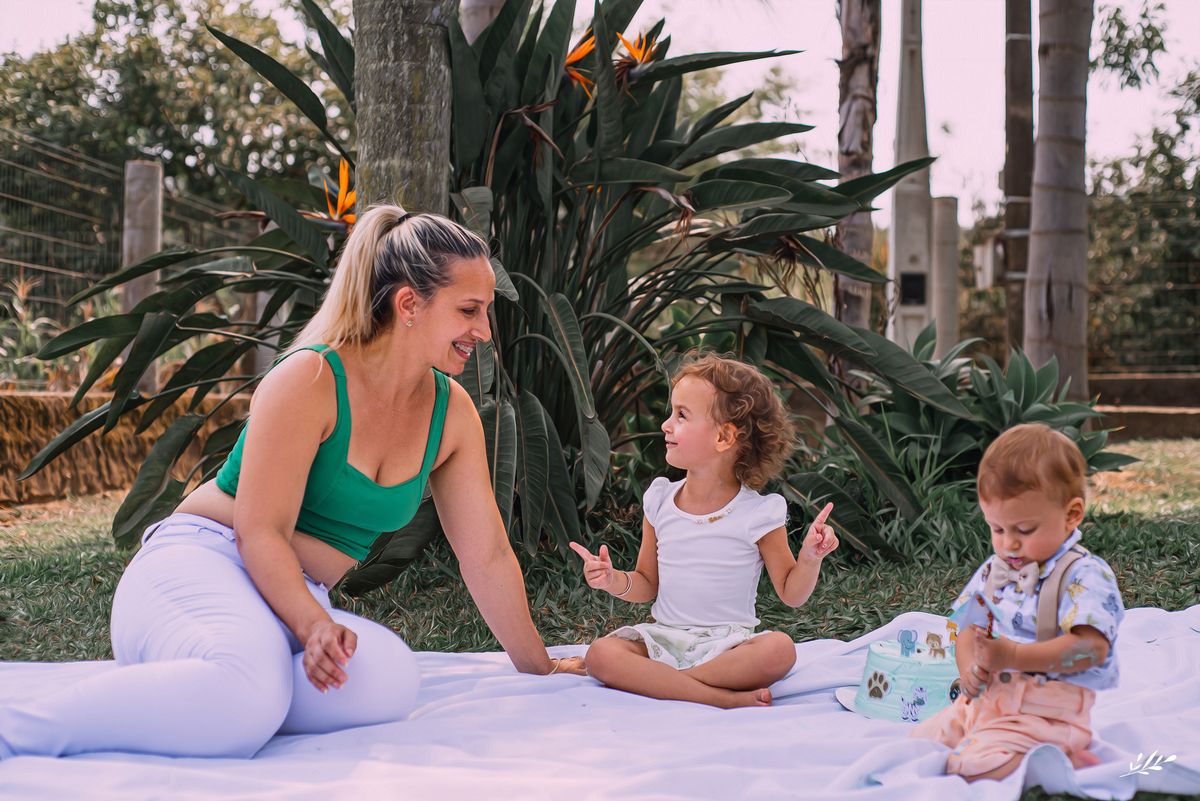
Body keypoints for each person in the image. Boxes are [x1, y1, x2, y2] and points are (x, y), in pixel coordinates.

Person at [0, 205, 582, 761]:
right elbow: (260, 531)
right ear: (409, 303)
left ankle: (228, 692)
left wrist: (540, 665)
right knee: (247, 695)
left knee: (388, 682)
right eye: (469, 310)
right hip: (207, 564)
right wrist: (312, 622)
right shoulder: (310, 378)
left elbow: (486, 554)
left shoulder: (449, 412)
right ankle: (20, 731)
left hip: (290, 598)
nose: (484, 330)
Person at [570, 352, 839, 709]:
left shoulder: (757, 513)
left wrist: (809, 558)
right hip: (664, 639)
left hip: (726, 649)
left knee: (779, 650)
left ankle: (665, 683)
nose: (666, 424)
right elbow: (647, 583)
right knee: (602, 654)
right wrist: (613, 580)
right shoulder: (660, 500)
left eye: (681, 415)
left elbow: (791, 593)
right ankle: (719, 698)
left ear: (724, 437)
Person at [909, 423, 1125, 782]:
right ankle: (1001, 742)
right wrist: (969, 670)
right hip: (986, 702)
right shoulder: (996, 570)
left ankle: (1059, 754)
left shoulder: (1084, 575)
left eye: (1024, 530)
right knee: (919, 742)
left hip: (1046, 711)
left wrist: (1013, 657)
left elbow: (1092, 650)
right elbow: (969, 629)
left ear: (1072, 514)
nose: (1009, 544)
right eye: (997, 529)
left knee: (969, 768)